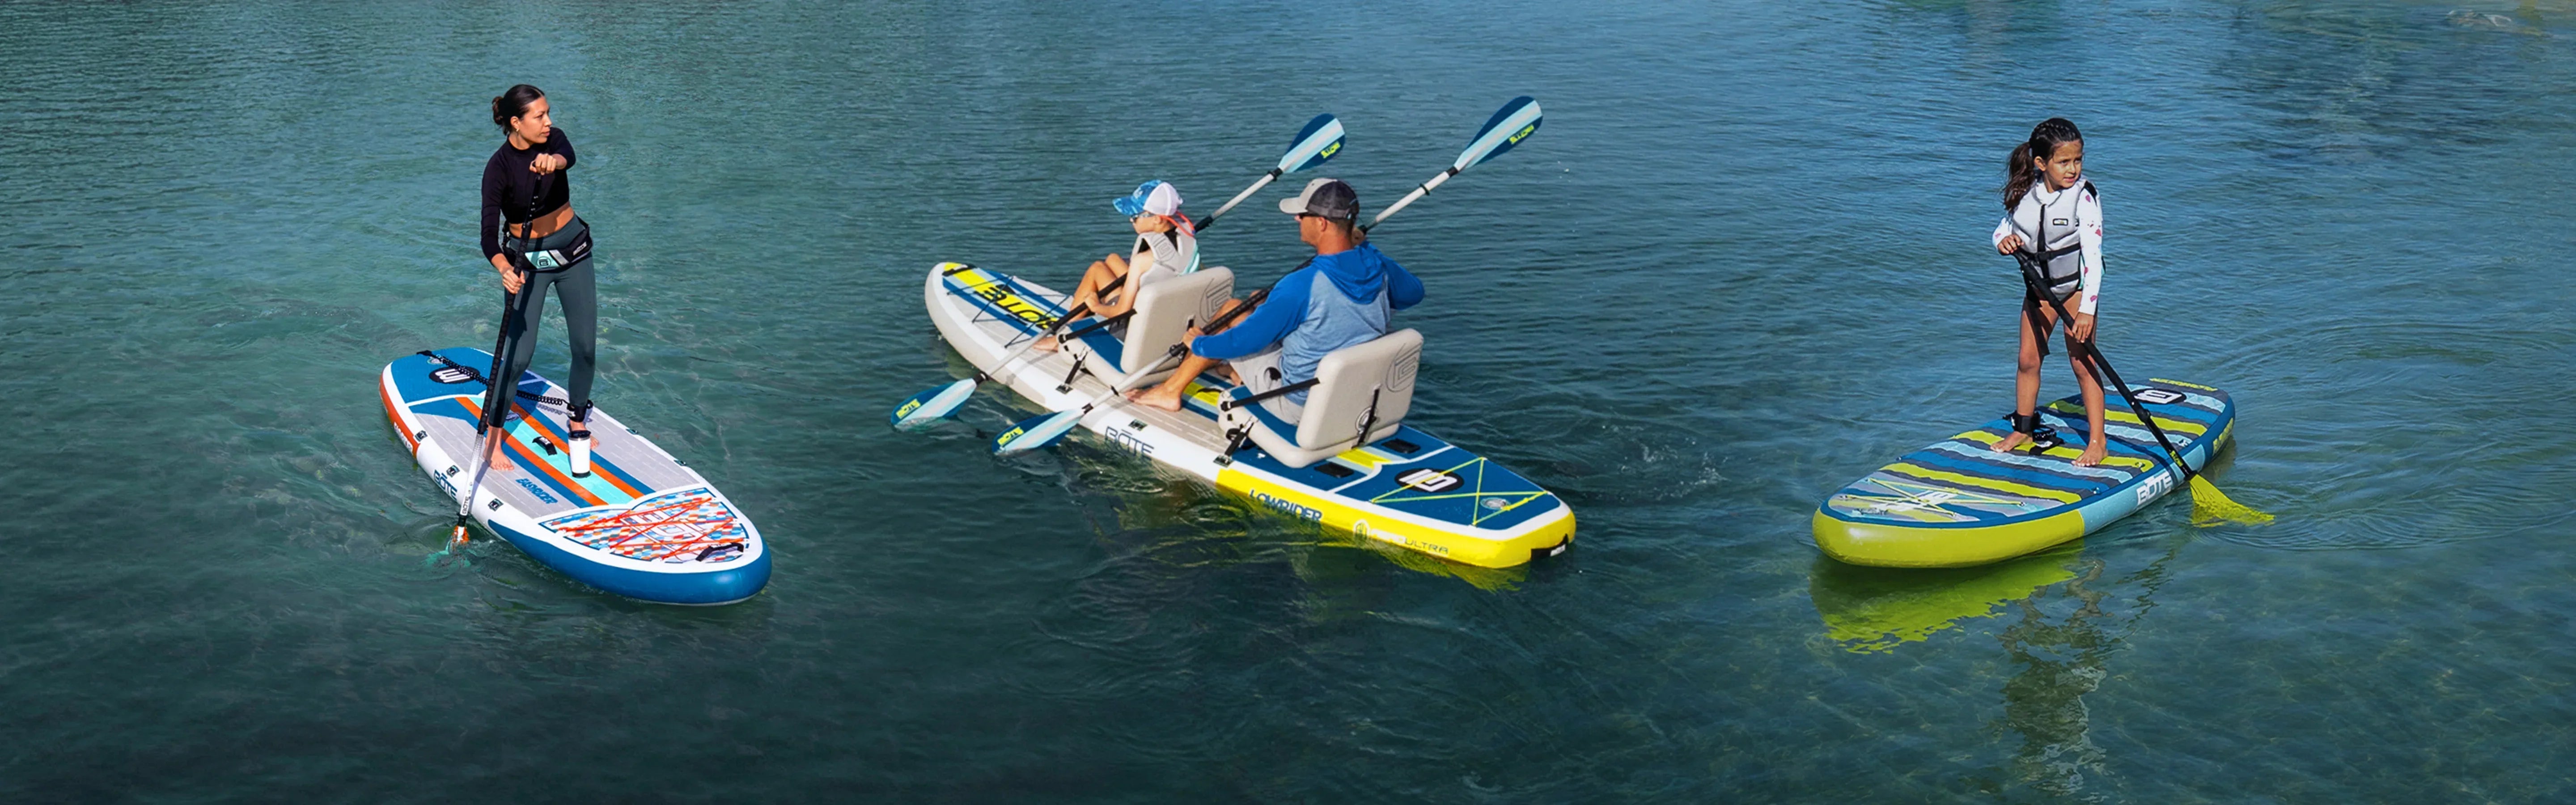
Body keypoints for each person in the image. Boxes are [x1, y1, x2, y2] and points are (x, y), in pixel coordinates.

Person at [1126, 178, 1422, 422]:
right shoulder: (1377, 268)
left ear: (1321, 224)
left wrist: (1200, 344)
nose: (1296, 219)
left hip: (1297, 402)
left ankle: (1170, 391)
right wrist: (1366, 247)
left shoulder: (1302, 285)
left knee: (1227, 320)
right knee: (1252, 303)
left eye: (1302, 215)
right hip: (1352, 392)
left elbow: (1244, 342)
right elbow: (1413, 293)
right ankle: (1229, 371)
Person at [478, 84, 597, 471]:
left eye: (548, 113)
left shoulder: (554, 141)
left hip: (574, 251)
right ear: (516, 122)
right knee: (517, 360)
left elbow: (569, 157)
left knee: (585, 348)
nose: (548, 122)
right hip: (527, 263)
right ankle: (493, 440)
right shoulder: (498, 169)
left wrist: (554, 163)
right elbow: (486, 236)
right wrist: (504, 270)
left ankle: (577, 420)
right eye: (539, 116)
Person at [1990, 117, 2109, 467]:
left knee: (2083, 363)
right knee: (2028, 360)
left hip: (2075, 290)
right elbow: (2002, 229)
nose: (2073, 169)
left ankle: (2098, 442)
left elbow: (2092, 255)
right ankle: (2024, 427)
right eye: (2064, 162)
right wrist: (2004, 242)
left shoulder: (2084, 197)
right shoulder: (2025, 189)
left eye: (2078, 160)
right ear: (2042, 164)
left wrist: (2087, 310)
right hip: (2039, 291)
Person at [1036, 180, 1196, 352]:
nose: (1131, 220)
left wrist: (1096, 307)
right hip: (1167, 316)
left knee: (1097, 269)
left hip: (1134, 327)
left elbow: (1121, 312)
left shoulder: (1142, 260)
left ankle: (1062, 337)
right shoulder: (1188, 237)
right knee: (1113, 259)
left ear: (1157, 219)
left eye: (1135, 217)